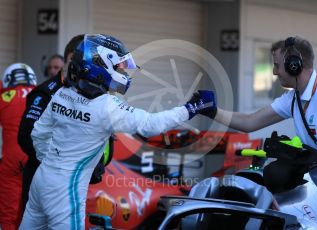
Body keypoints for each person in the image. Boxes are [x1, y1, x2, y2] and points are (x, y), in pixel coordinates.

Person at [19, 34, 216, 229]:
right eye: (117, 66)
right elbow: (150, 125)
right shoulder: (106, 106)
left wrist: (52, 163)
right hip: (65, 188)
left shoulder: (61, 93)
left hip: (42, 177)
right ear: (98, 66)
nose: (122, 71)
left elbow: (38, 134)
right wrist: (191, 108)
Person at [212, 36, 317, 229]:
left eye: (277, 65)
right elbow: (250, 122)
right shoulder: (293, 98)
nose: (274, 72)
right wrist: (212, 111)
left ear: (294, 65)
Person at [18, 34, 85, 213]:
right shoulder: (43, 93)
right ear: (70, 58)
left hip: (73, 185)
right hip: (41, 181)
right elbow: (25, 137)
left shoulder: (89, 94)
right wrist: (56, 166)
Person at [0, 63, 37, 230]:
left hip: (11, 158)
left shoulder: (4, 97)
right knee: (36, 209)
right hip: (37, 156)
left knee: (9, 212)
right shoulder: (41, 94)